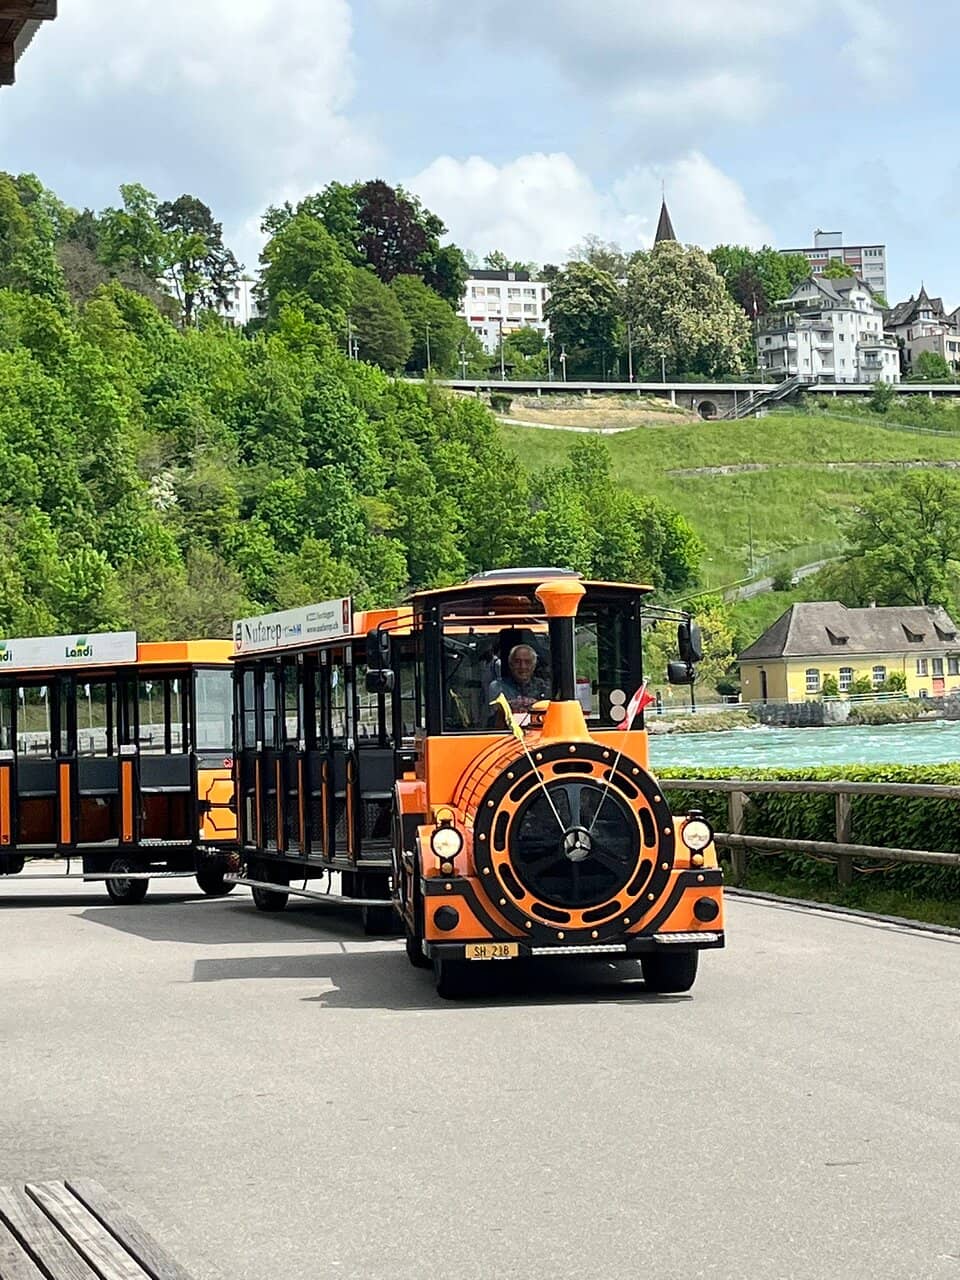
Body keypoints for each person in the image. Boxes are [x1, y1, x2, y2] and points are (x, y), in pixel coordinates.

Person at [489, 643, 550, 716]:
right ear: (511, 664)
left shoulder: (544, 688)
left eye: (527, 662)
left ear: (534, 665)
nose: (522, 666)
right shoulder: (497, 687)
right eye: (517, 662)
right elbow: (495, 715)